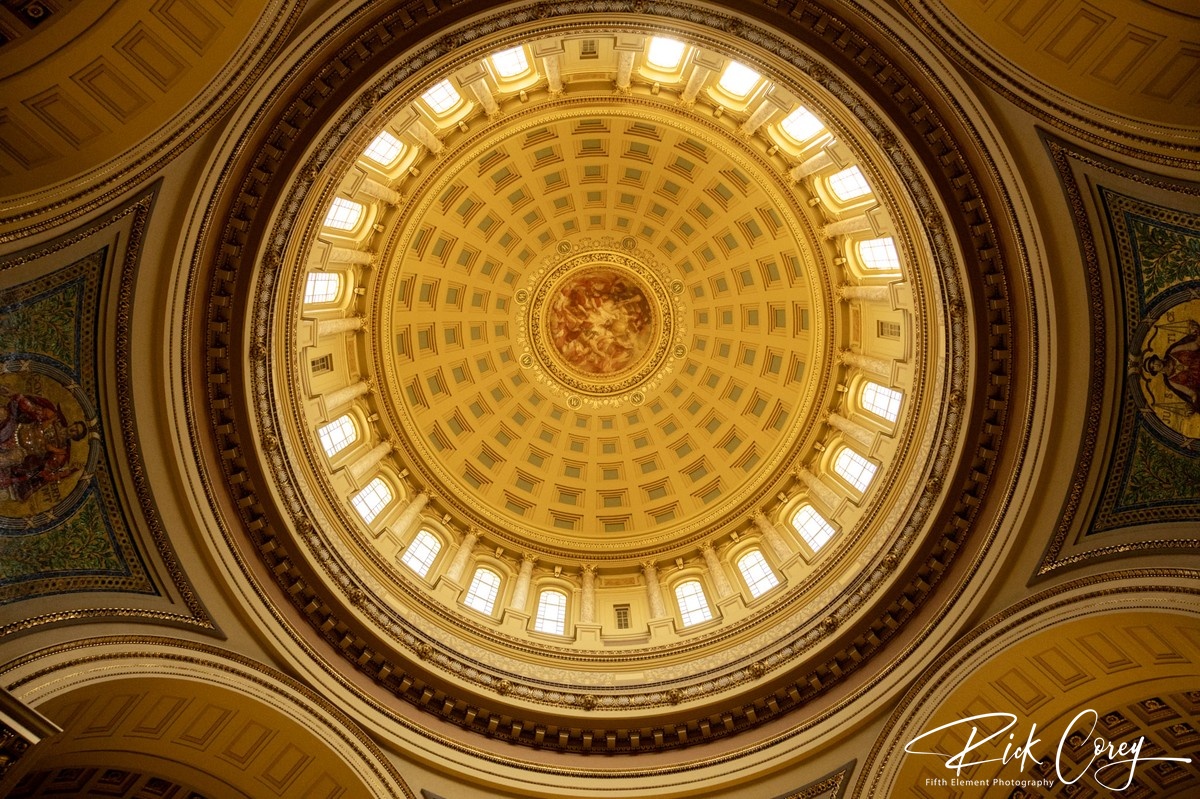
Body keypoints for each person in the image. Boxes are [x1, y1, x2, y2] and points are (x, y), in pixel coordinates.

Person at [0, 388, 88, 502]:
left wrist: (68, 471)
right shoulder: (53, 417)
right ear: (72, 424)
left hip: (22, 451)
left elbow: (48, 472)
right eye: (75, 427)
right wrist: (15, 395)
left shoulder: (61, 451)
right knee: (2, 412)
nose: (73, 430)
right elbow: (32, 409)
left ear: (75, 438)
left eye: (76, 432)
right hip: (16, 429)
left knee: (7, 459)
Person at [1144, 319, 1200, 416]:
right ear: (1155, 371)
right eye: (1153, 368)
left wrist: (1196, 333)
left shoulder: (1173, 351)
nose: (1156, 365)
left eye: (1154, 362)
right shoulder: (1171, 381)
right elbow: (1191, 393)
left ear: (1157, 359)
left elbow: (1194, 345)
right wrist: (1194, 402)